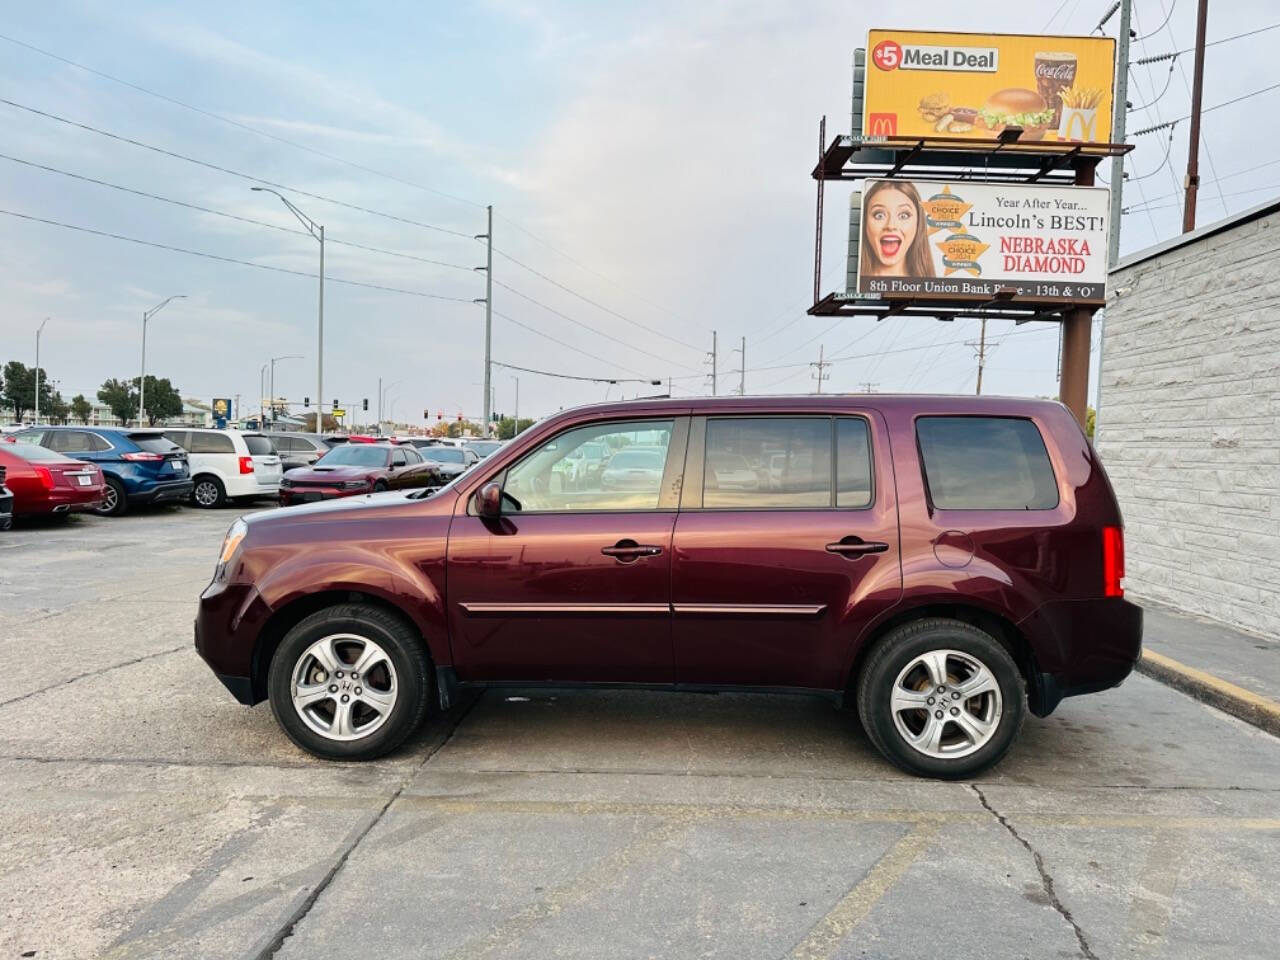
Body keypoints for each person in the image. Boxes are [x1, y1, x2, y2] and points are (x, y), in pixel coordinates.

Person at [861, 181, 936, 279]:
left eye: (903, 216)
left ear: (918, 224)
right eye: (879, 215)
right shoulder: (854, 283)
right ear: (865, 222)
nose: (891, 226)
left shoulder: (932, 288)